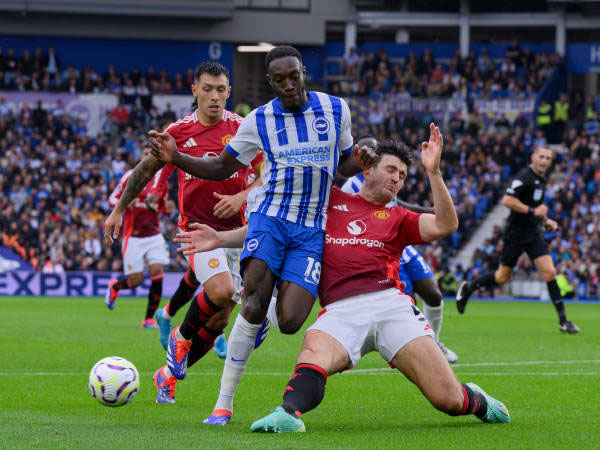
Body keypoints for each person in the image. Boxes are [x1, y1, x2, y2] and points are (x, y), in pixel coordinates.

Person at [177, 130, 510, 432]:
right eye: (391, 170)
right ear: (368, 170)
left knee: (447, 400)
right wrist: (220, 239)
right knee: (313, 351)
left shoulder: (399, 218)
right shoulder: (328, 200)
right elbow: (272, 228)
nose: (397, 179)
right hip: (340, 309)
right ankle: (288, 414)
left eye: (404, 176)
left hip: (391, 305)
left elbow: (445, 225)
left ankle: (477, 400)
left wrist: (433, 172)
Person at [144, 45, 377, 423]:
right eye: (280, 79)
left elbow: (344, 163)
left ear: (304, 72)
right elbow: (220, 167)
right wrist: (176, 158)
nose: (288, 84)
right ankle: (223, 404)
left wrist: (363, 157)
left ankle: (249, 320)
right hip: (269, 218)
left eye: (294, 76)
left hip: (310, 228)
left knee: (289, 321)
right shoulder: (260, 120)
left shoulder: (336, 109)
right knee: (249, 302)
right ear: (270, 82)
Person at [104, 61, 263, 404]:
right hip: (196, 231)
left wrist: (241, 196)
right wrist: (118, 209)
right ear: (194, 91)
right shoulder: (177, 132)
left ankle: (168, 374)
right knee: (221, 292)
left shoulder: (244, 129)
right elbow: (144, 172)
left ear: (229, 92)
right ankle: (180, 334)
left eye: (221, 90)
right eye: (207, 89)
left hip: (238, 233)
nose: (214, 97)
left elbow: (268, 175)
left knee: (220, 320)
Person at [341, 134, 458, 363]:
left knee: (433, 294)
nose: (370, 155)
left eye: (374, 152)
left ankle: (434, 341)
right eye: (366, 151)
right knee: (407, 302)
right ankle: (413, 348)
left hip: (402, 245)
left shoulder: (386, 179)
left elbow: (398, 205)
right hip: (380, 248)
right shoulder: (351, 186)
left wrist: (429, 210)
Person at [456, 146, 580, 334]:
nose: (545, 161)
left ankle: (563, 321)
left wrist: (546, 221)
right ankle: (469, 287)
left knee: (550, 272)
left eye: (548, 158)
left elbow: (535, 207)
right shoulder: (525, 176)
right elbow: (507, 200)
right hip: (515, 233)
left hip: (533, 232)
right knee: (501, 277)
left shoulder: (541, 179)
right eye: (541, 157)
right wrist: (533, 212)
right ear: (533, 157)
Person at [105, 145, 174, 327]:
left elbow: (162, 208)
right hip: (133, 235)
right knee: (135, 281)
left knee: (157, 271)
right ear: (141, 157)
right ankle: (115, 286)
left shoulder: (161, 181)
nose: (149, 157)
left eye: (152, 154)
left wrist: (167, 209)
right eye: (146, 154)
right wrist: (126, 202)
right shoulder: (131, 176)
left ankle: (148, 318)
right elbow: (112, 199)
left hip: (153, 234)